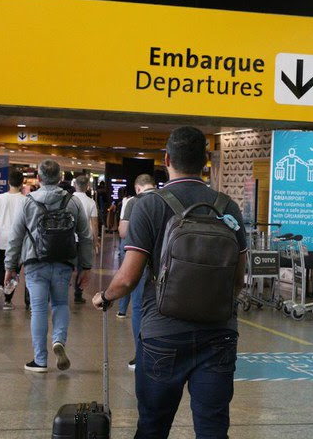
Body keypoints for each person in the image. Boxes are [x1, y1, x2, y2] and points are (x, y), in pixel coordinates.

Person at [91, 126, 247, 439]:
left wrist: (105, 297)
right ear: (205, 161)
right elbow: (239, 278)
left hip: (164, 334)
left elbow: (128, 278)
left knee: (152, 427)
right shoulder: (227, 206)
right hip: (218, 335)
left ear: (166, 159)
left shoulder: (149, 205)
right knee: (213, 430)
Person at [4, 159, 94, 373]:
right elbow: (86, 235)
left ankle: (40, 360)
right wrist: (86, 267)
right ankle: (59, 340)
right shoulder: (72, 202)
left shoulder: (28, 201)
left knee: (38, 310)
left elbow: (15, 237)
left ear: (39, 178)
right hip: (64, 262)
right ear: (60, 177)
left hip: (35, 263)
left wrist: (10, 267)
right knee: (61, 303)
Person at [116, 173, 157, 370]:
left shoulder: (134, 202)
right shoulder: (165, 200)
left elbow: (124, 232)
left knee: (139, 306)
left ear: (138, 187)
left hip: (141, 260)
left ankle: (140, 355)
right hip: (165, 262)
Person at [0, 170, 27, 310]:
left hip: (3, 237)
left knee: (1, 264)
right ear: (22, 183)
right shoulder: (25, 200)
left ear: (8, 182)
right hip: (18, 239)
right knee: (14, 269)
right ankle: (7, 300)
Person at [71, 175, 101, 304]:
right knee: (83, 267)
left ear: (75, 185)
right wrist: (96, 241)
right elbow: (94, 223)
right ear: (87, 186)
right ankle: (78, 294)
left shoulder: (68, 200)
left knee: (68, 265)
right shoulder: (91, 202)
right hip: (85, 239)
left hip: (70, 238)